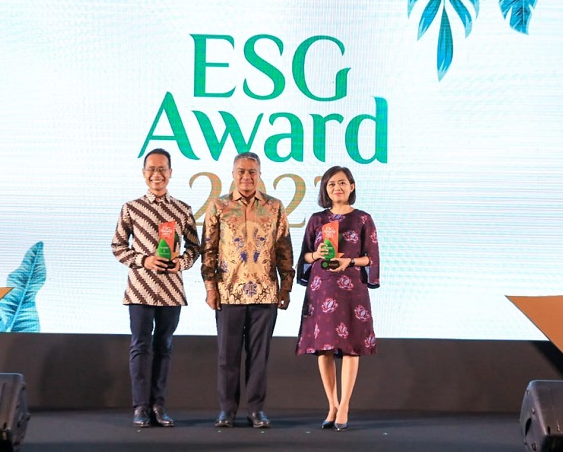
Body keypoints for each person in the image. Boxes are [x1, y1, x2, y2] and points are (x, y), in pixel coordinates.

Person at [201, 151, 295, 428]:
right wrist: (210, 288)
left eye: (252, 172)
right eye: (241, 171)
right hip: (228, 292)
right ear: (233, 174)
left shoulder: (274, 206)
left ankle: (256, 410)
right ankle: (226, 411)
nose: (246, 176)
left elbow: (284, 248)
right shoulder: (219, 206)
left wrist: (286, 286)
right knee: (227, 357)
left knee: (259, 357)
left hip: (265, 293)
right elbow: (209, 250)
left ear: (260, 174)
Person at [112, 148, 201, 428]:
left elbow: (195, 248)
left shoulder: (183, 209)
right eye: (151, 169)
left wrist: (181, 263)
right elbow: (117, 247)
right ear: (143, 173)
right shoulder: (131, 208)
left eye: (162, 169)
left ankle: (158, 405)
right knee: (140, 346)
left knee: (164, 346)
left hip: (171, 290)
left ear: (170, 173)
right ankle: (140, 406)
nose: (156, 174)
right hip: (140, 289)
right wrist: (144, 260)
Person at [296, 166, 380, 431]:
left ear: (352, 186)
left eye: (342, 183)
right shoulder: (317, 219)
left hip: (351, 290)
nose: (337, 188)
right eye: (331, 184)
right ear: (325, 189)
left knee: (351, 347)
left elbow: (371, 258)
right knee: (323, 348)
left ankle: (345, 405)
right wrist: (317, 254)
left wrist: (350, 261)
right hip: (321, 289)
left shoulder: (363, 218)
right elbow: (305, 256)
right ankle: (332, 404)